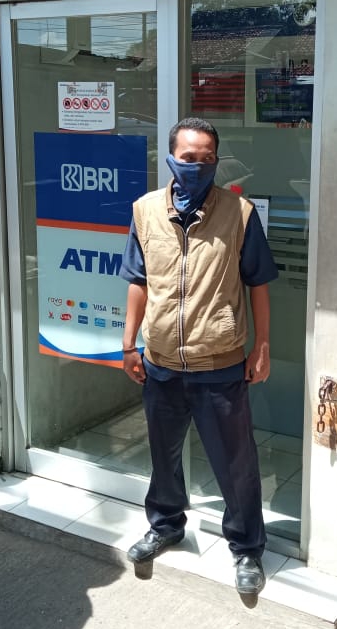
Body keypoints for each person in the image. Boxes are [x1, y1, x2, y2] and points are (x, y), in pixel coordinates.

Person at [119, 117, 278, 595]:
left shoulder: (239, 213)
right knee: (163, 456)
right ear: (170, 158)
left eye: (207, 159)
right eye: (188, 158)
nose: (197, 166)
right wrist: (129, 344)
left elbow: (258, 283)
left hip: (219, 361)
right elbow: (138, 281)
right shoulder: (145, 211)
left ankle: (246, 547)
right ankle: (166, 525)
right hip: (161, 361)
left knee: (235, 463)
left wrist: (262, 345)